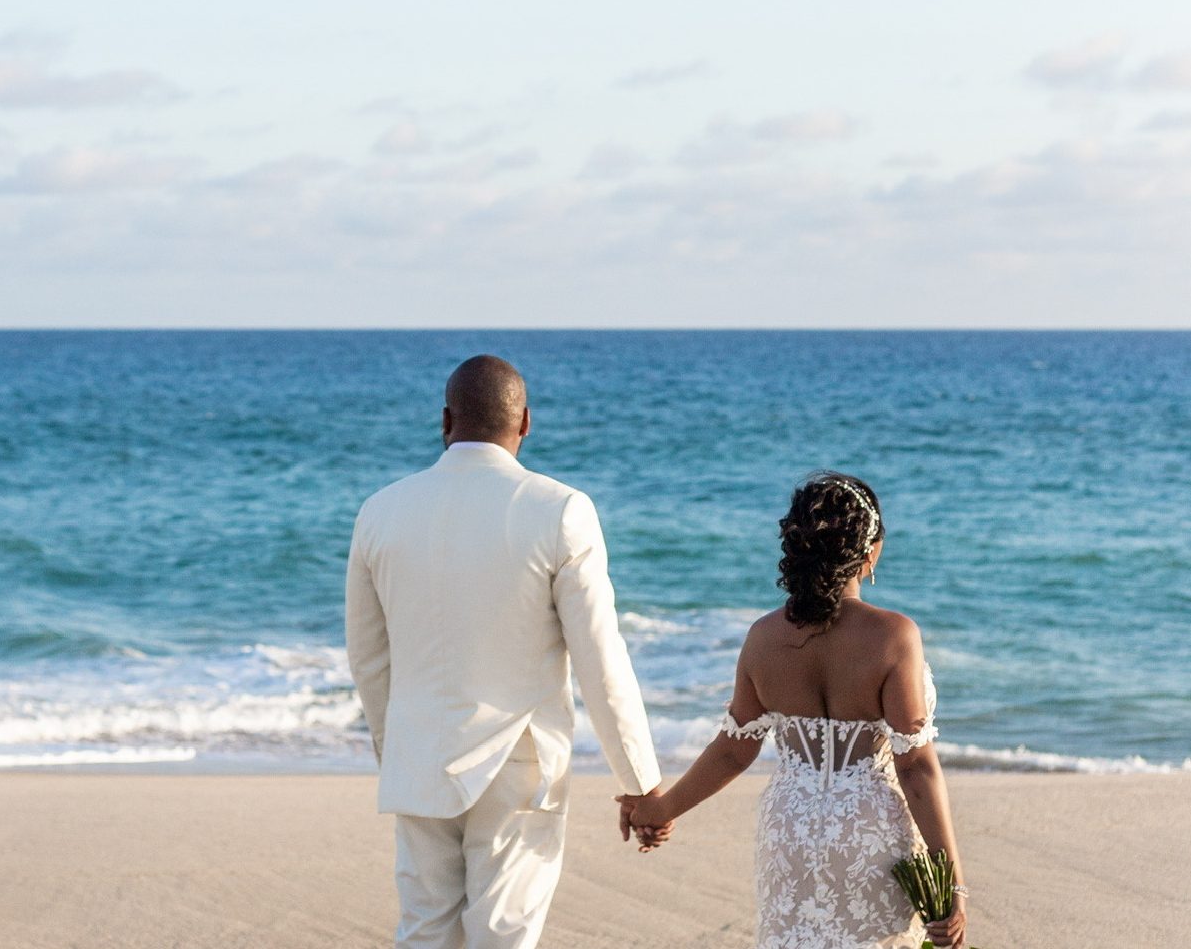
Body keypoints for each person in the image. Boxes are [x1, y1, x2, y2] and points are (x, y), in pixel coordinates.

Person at [345, 355, 669, 949]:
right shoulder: (561, 510)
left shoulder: (380, 512)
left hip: (418, 754)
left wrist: (398, 751)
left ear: (445, 420)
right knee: (502, 937)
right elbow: (600, 656)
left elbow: (368, 657)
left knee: (424, 931)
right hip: (519, 761)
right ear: (525, 424)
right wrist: (640, 781)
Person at [623, 472, 968, 948]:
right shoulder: (893, 637)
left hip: (791, 832)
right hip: (869, 835)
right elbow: (916, 768)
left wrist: (660, 808)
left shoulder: (763, 637)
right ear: (870, 553)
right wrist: (950, 882)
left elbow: (732, 752)